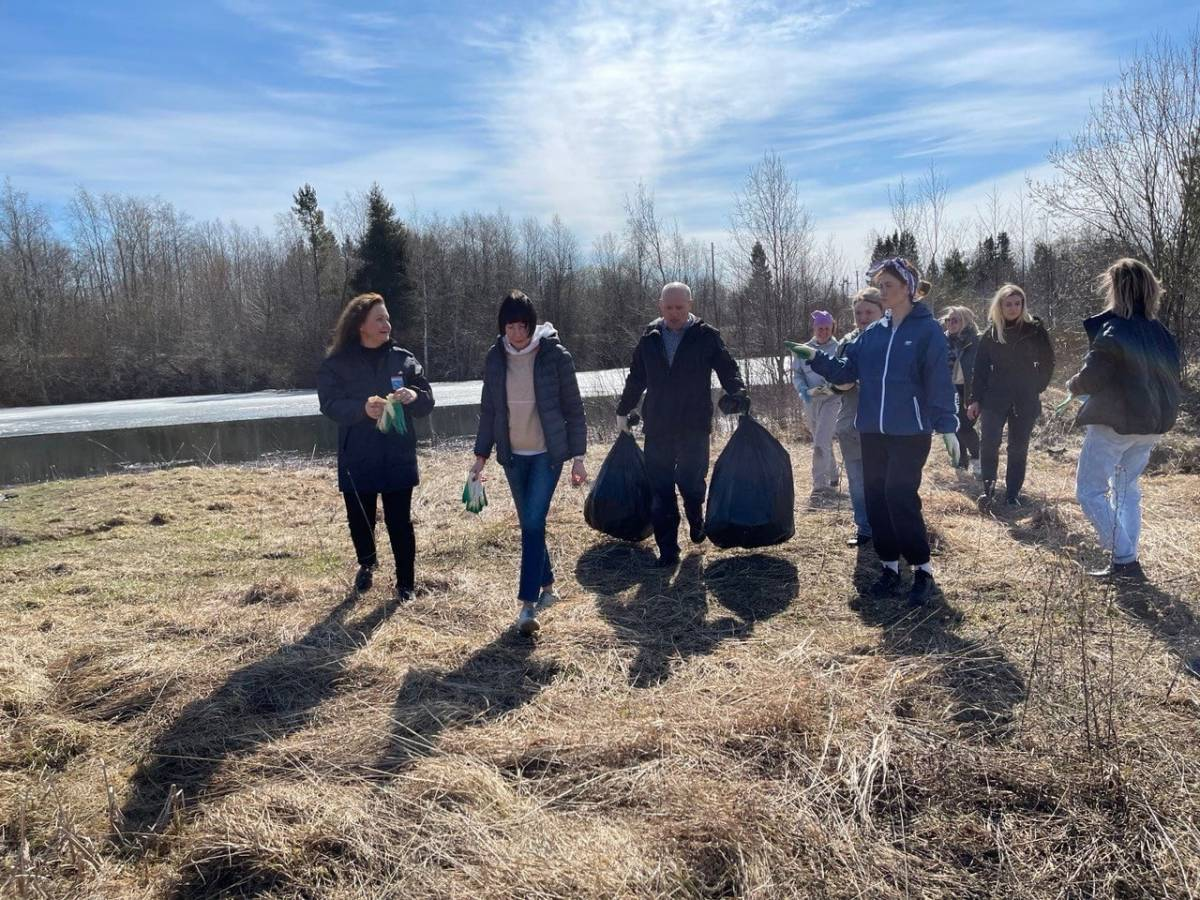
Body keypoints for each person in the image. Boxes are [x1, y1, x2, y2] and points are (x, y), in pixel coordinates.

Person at [792, 258, 959, 605]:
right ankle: (888, 568)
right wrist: (814, 358)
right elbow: (845, 372)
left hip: (910, 430)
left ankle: (923, 571)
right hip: (871, 430)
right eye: (880, 285)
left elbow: (938, 381)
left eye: (889, 286)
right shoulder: (873, 333)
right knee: (877, 497)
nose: (882, 291)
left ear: (908, 289)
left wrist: (947, 426)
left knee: (899, 495)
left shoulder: (926, 331)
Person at [471, 291, 588, 635]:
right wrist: (481, 457)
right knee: (531, 525)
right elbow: (489, 411)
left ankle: (527, 605)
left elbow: (574, 409)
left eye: (523, 326)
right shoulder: (495, 359)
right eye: (511, 326)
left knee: (533, 522)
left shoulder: (555, 356)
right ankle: (549, 587)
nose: (517, 334)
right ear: (502, 327)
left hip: (547, 456)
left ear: (532, 325)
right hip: (512, 456)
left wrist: (578, 458)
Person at [616, 282, 749, 567]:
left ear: (690, 304)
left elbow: (728, 368)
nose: (674, 313)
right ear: (659, 306)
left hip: (694, 423)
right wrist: (623, 410)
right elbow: (636, 377)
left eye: (679, 307)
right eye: (668, 308)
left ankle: (695, 515)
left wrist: (737, 393)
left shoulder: (706, 336)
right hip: (658, 424)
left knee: (689, 481)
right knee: (661, 488)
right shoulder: (649, 338)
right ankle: (668, 550)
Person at [1068, 258, 1180, 580]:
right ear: (1150, 289)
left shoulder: (1114, 329)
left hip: (1115, 425)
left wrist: (1072, 386)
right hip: (1152, 425)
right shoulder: (1162, 333)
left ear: (1116, 289)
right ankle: (1126, 558)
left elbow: (1091, 379)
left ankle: (1125, 560)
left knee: (1089, 491)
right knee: (1127, 489)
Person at [318, 293, 435, 601]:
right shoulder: (337, 363)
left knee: (400, 521)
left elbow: (427, 400)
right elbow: (329, 405)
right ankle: (367, 563)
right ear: (361, 325)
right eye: (379, 319)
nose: (387, 324)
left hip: (397, 453)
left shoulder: (403, 359)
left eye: (387, 318)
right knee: (361, 519)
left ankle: (406, 584)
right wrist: (360, 410)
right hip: (358, 454)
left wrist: (413, 395)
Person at [966, 285, 1055, 506]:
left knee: (1018, 447)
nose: (1013, 308)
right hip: (995, 397)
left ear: (1023, 305)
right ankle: (989, 489)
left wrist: (1037, 386)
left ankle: (1012, 494)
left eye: (1018, 303)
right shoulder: (991, 333)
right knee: (989, 443)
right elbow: (981, 368)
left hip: (1025, 398)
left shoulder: (1034, 329)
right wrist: (974, 399)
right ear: (1000, 306)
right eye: (1008, 304)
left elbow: (1048, 361)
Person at [832, 288, 884, 546]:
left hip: (884, 427)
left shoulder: (892, 340)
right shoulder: (846, 343)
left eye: (869, 312)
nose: (863, 317)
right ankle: (864, 528)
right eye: (858, 313)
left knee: (885, 481)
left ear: (882, 311)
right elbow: (838, 380)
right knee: (857, 481)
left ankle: (889, 527)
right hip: (851, 425)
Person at [791, 309, 843, 501]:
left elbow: (843, 375)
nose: (823, 331)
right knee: (821, 437)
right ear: (814, 328)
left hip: (832, 399)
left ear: (832, 328)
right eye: (819, 328)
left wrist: (831, 388)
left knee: (820, 440)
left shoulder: (839, 348)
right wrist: (802, 388)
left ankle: (819, 486)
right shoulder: (802, 350)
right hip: (810, 400)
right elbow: (797, 374)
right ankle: (834, 474)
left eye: (827, 328)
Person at [942, 305, 982, 477]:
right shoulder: (941, 340)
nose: (950, 323)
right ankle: (961, 462)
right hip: (948, 389)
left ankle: (978, 459)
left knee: (965, 426)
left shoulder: (975, 341)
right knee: (954, 426)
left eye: (955, 320)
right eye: (948, 320)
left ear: (965, 322)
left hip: (969, 389)